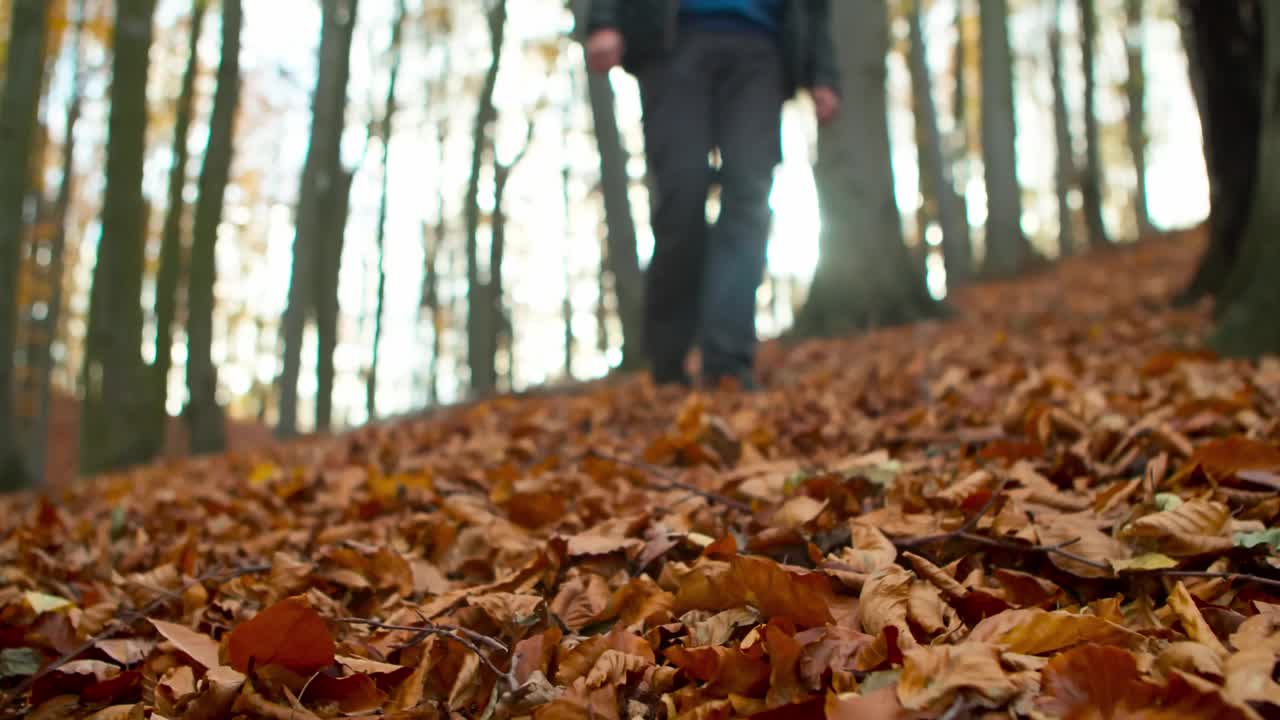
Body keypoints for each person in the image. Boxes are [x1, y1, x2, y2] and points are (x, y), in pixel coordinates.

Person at [585, 0, 841, 389]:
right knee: (681, 195)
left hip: (763, 46)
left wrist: (823, 72)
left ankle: (727, 363)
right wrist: (604, 20)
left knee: (749, 197)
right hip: (673, 37)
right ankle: (668, 359)